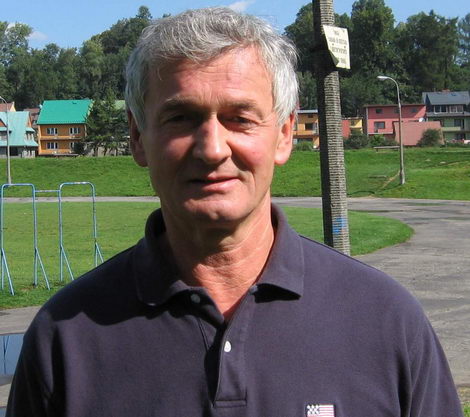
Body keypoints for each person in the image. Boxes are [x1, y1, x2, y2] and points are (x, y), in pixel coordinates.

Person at [7, 7, 463, 417]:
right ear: (138, 138)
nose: (212, 149)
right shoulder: (65, 337)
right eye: (181, 118)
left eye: (240, 118)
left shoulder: (385, 319)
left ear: (284, 135)